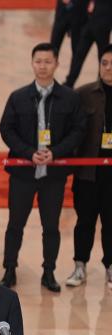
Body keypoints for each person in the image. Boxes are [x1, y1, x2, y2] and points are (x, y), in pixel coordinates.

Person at [0, 42, 85, 292]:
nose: (43, 66)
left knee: (51, 226)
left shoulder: (70, 98)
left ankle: (49, 272)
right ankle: (9, 269)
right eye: (38, 61)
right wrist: (28, 153)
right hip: (23, 173)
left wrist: (55, 152)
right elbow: (6, 129)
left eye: (48, 61)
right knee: (15, 224)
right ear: (32, 63)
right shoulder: (18, 97)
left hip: (53, 175)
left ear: (57, 64)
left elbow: (78, 130)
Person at [66, 44, 112, 288]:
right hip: (88, 173)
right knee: (84, 221)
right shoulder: (84, 94)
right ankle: (79, 265)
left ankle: (110, 266)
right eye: (104, 63)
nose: (108, 68)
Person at [65, 0, 112, 87]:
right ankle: (69, 83)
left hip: (103, 27)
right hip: (89, 25)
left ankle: (101, 86)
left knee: (103, 58)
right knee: (78, 54)